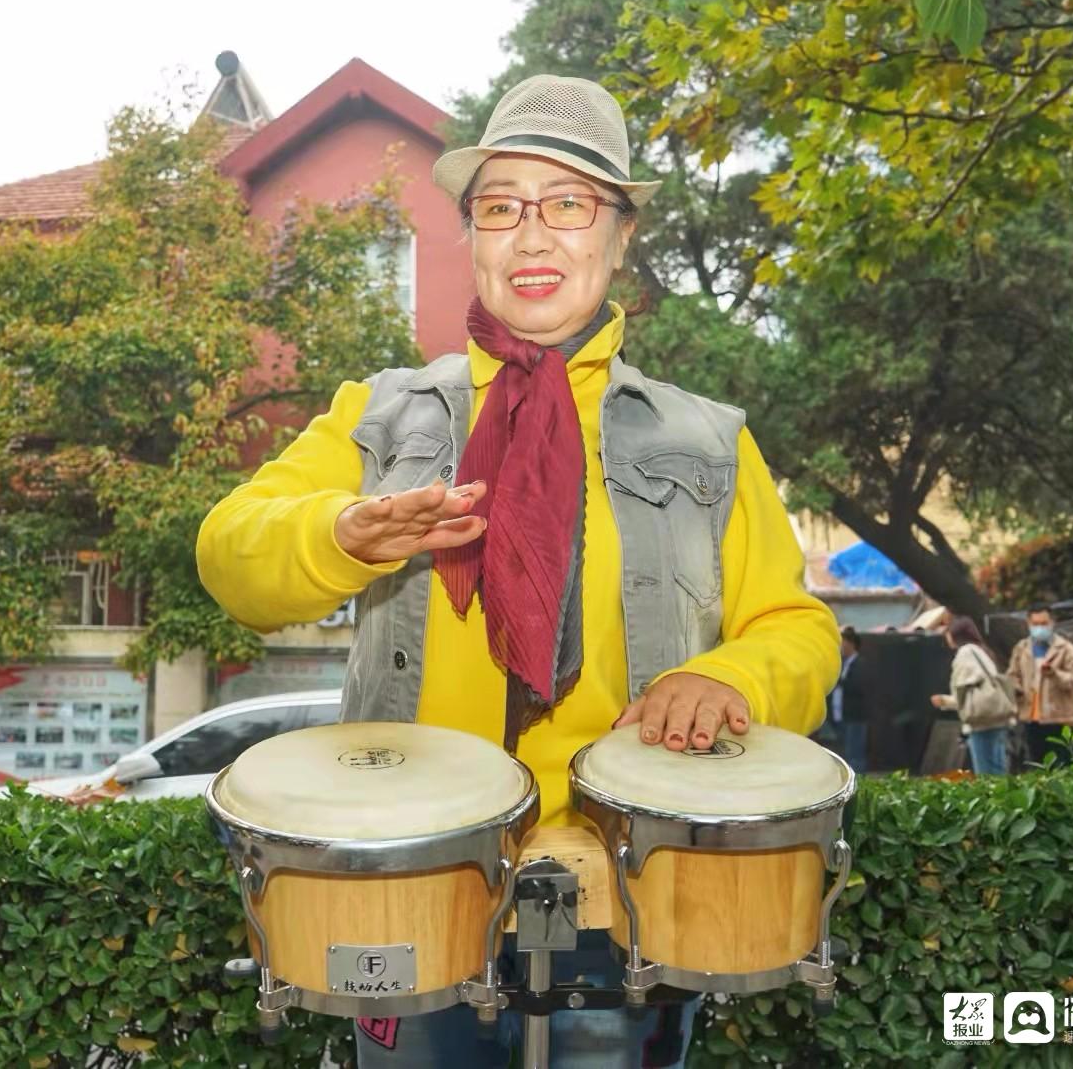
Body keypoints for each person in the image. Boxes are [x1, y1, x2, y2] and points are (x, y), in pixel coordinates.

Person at [196, 74, 840, 1069]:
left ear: (619, 235)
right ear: (475, 237)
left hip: (626, 887)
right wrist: (343, 532)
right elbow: (231, 551)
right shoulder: (381, 412)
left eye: (568, 204)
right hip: (408, 882)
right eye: (501, 208)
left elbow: (797, 626)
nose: (532, 236)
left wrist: (728, 678)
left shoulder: (709, 441)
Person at [930, 616, 1014, 775]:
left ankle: (991, 800)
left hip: (980, 721)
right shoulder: (981, 651)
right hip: (997, 717)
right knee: (999, 768)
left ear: (955, 635)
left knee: (985, 771)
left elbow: (962, 691)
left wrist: (945, 701)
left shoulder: (965, 653)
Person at [1007, 606, 1073, 767]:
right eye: (1035, 624)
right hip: (1030, 717)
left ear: (1052, 623)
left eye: (1044, 623)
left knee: (1062, 765)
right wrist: (1016, 688)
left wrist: (1054, 673)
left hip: (1059, 718)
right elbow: (1012, 675)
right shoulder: (1021, 649)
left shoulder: (1066, 649)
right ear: (1028, 623)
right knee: (1037, 765)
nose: (1039, 628)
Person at [828, 627, 869, 774]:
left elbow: (859, 686)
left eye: (843, 643)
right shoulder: (843, 663)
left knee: (855, 751)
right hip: (840, 714)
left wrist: (841, 681)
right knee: (845, 750)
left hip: (854, 715)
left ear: (851, 644)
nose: (841, 647)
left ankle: (858, 780)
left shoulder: (860, 663)